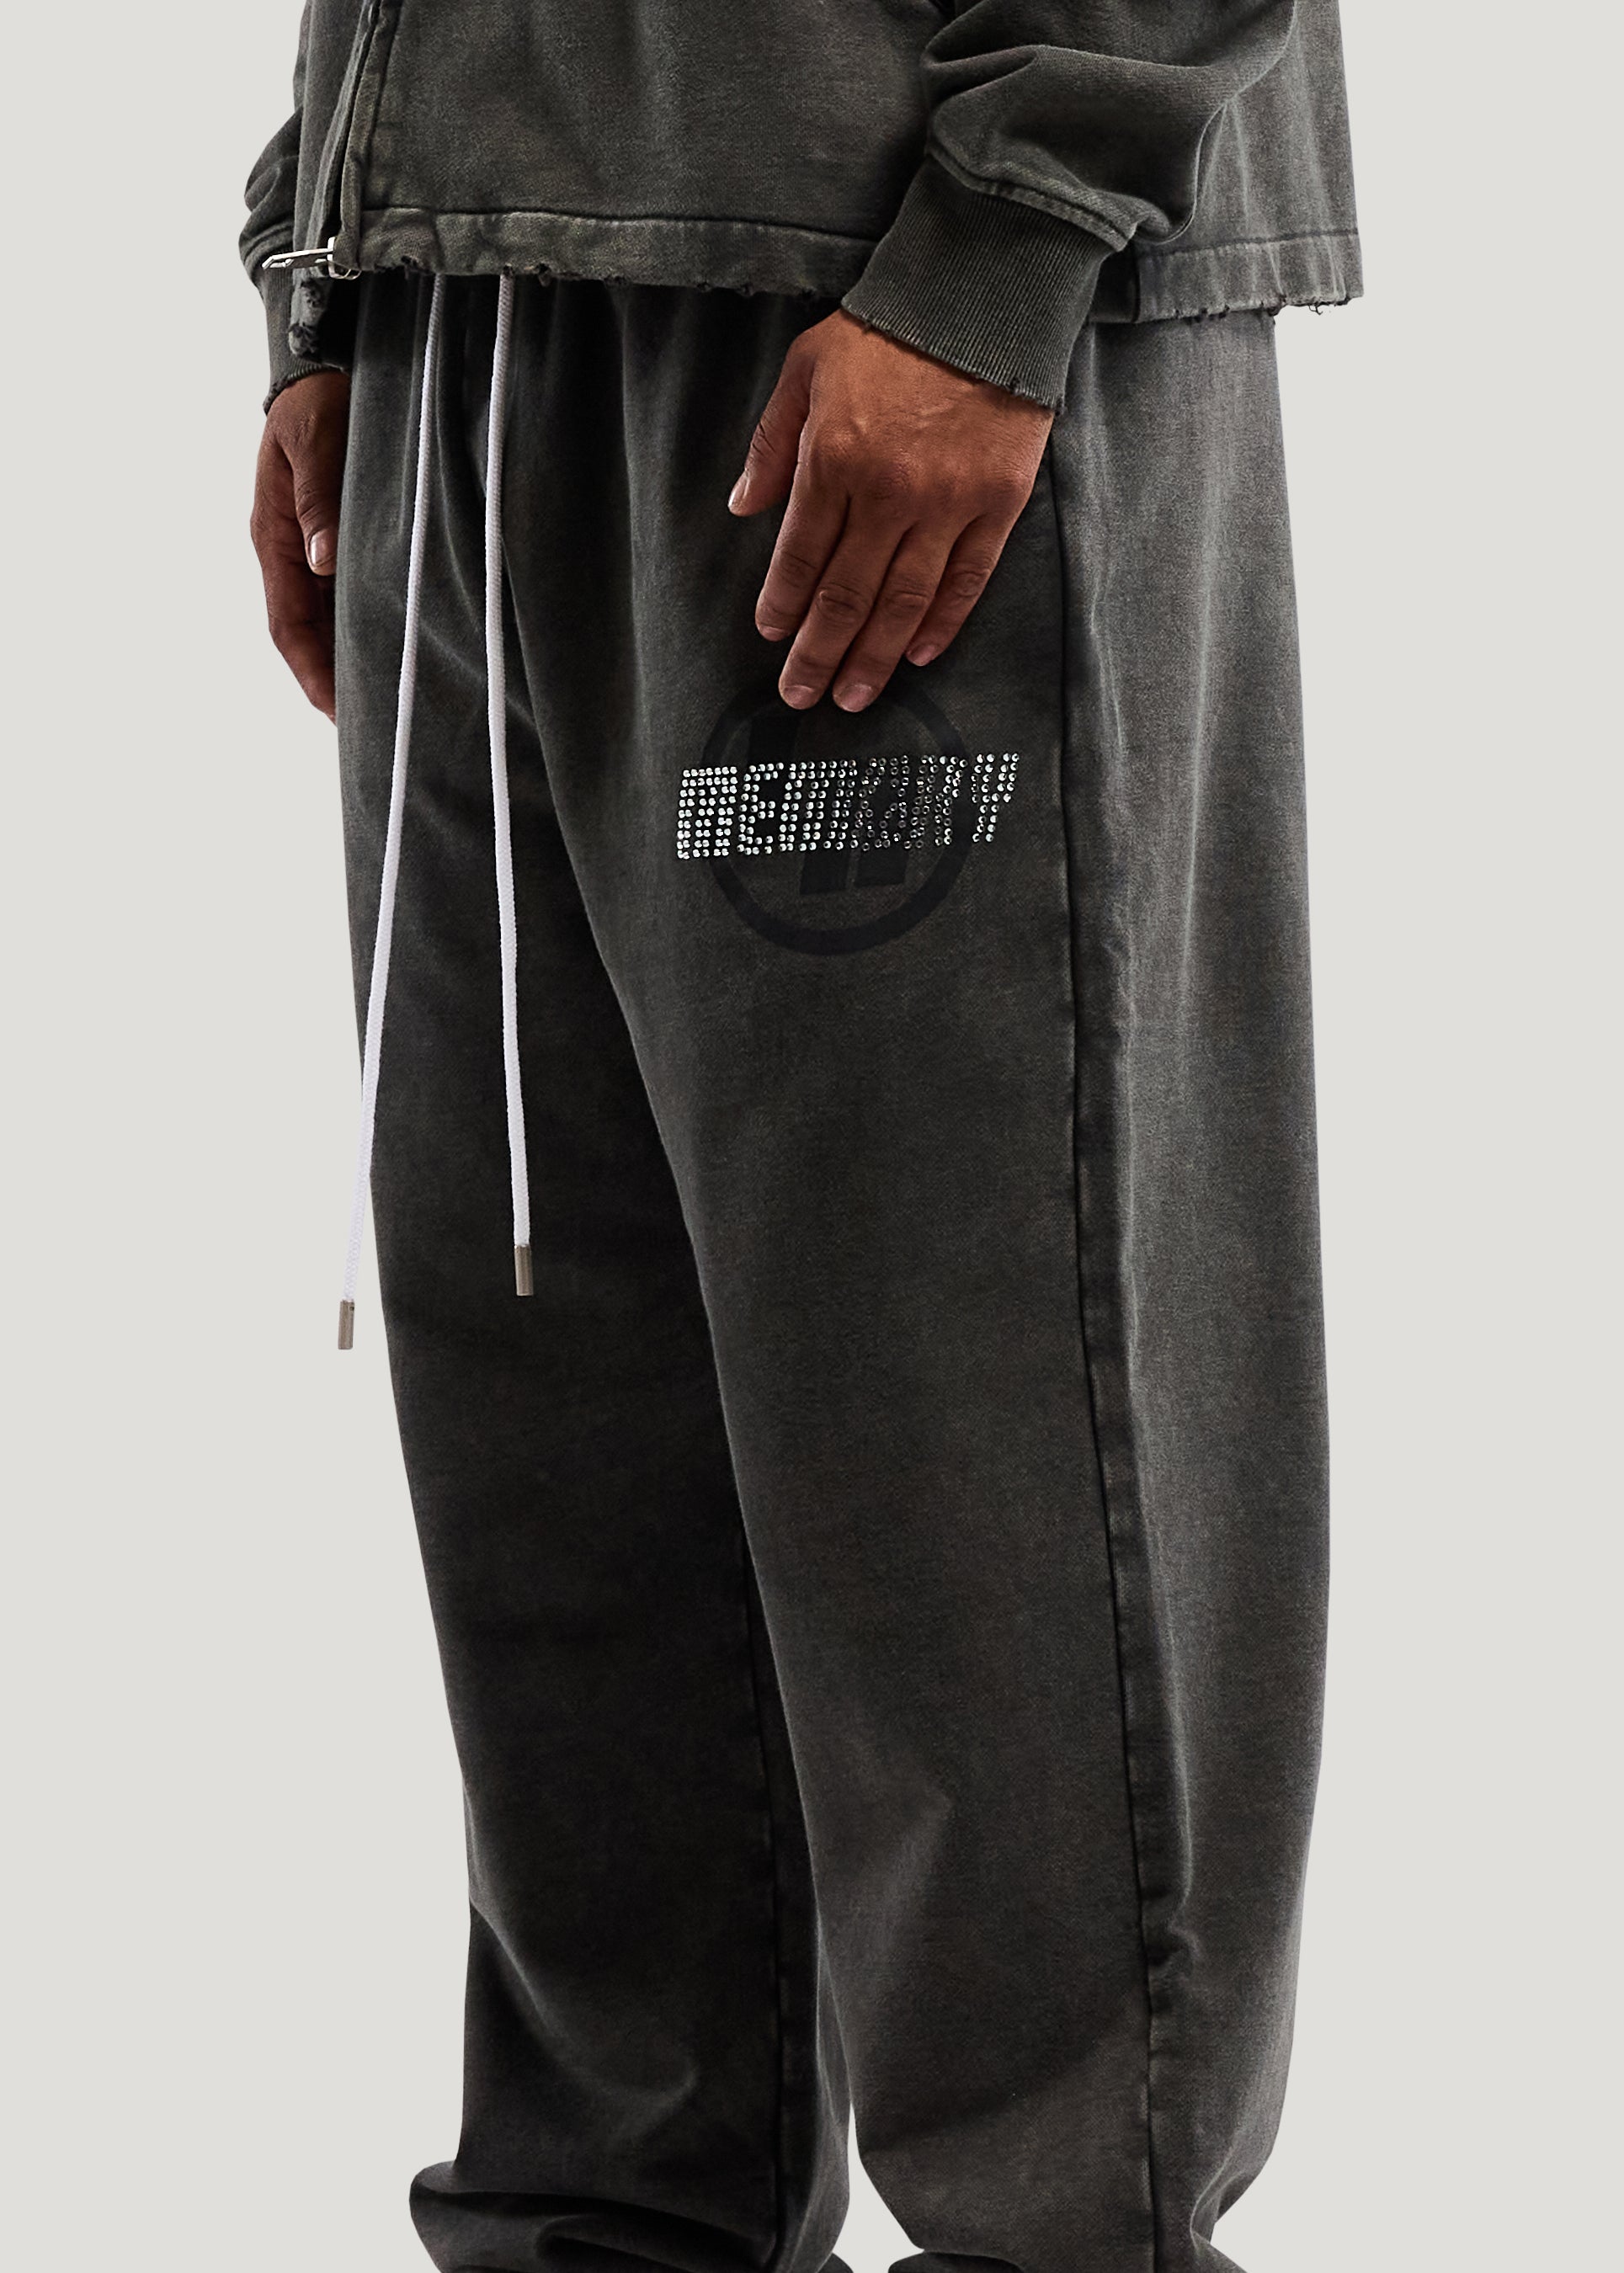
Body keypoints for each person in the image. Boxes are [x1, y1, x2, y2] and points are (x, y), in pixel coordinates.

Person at [243, 4, 1359, 2269]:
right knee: (559, 1416)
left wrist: (1009, 227)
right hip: (473, 316)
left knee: (971, 1439)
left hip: (885, 287)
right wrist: (334, 265)